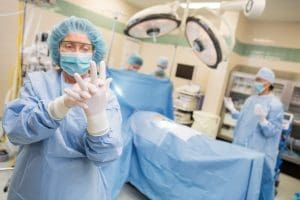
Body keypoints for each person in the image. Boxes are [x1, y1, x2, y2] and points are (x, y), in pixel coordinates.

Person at [2, 16, 122, 200]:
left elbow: (105, 157)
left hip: (80, 190)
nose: (76, 53)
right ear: (58, 49)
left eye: (84, 48)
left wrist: (97, 117)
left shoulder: (104, 95)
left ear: (94, 54)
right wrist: (58, 107)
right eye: (69, 46)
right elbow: (16, 132)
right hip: (34, 185)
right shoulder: (37, 82)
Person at [224, 67, 283, 200]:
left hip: (260, 154)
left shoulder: (275, 105)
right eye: (255, 79)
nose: (255, 83)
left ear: (268, 83)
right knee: (241, 184)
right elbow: (244, 120)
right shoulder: (251, 100)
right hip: (242, 149)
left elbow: (272, 132)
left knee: (258, 187)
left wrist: (263, 120)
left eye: (259, 80)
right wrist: (233, 110)